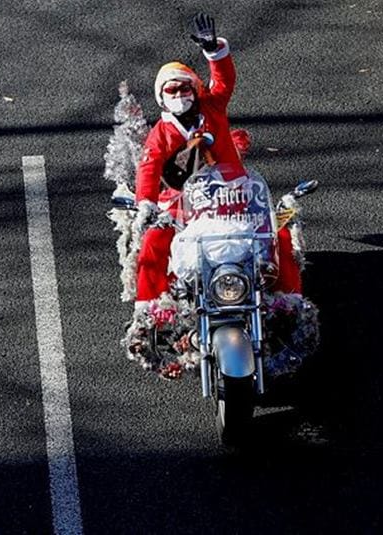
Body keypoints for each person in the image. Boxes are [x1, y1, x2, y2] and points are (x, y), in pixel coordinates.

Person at [128, 13, 302, 356]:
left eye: (185, 88)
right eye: (172, 90)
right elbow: (148, 170)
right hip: (185, 206)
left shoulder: (213, 107)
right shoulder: (160, 134)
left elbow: (223, 80)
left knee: (280, 235)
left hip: (234, 198)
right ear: (162, 98)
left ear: (196, 90)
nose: (180, 94)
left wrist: (214, 51)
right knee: (153, 243)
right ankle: (150, 313)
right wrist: (146, 205)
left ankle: (288, 305)